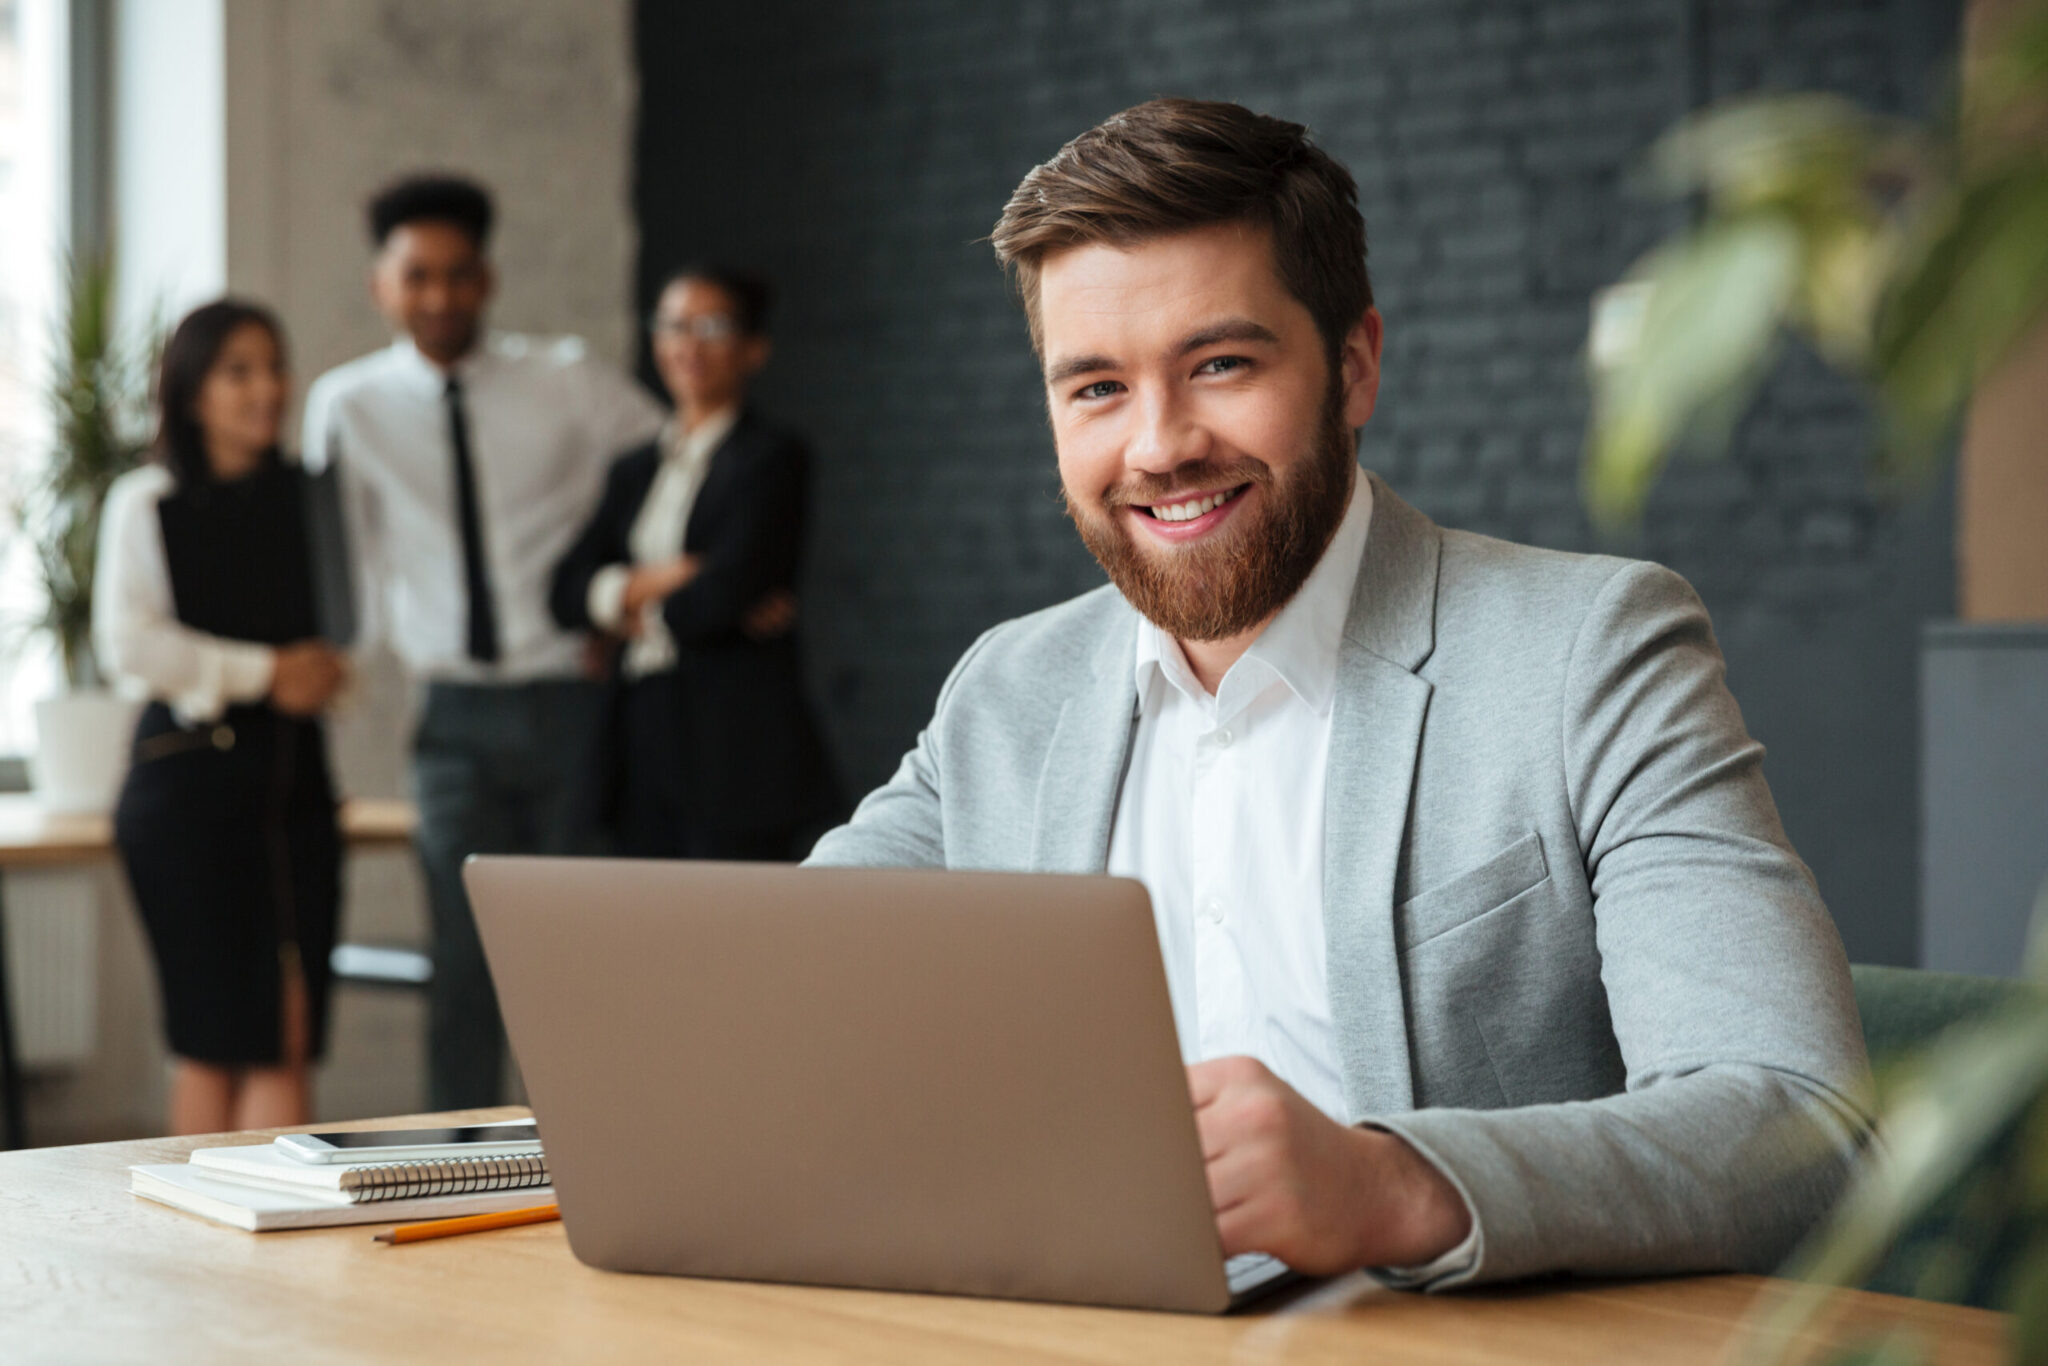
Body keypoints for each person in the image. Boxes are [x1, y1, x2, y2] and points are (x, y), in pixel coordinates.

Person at [806, 98, 1876, 1287]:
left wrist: (1386, 1184)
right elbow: (775, 990)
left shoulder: (1589, 652)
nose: (1158, 445)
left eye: (1218, 364)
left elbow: (1799, 1128)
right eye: (1096, 388)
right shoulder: (1007, 691)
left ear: (1352, 366)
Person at [301, 174, 666, 1110]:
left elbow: (673, 468)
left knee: (576, 960)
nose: (439, 297)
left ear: (489, 279)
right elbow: (342, 565)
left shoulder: (567, 379)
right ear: (382, 284)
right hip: (450, 715)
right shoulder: (348, 407)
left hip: (568, 702)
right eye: (417, 276)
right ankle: (454, 1172)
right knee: (460, 968)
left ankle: (600, 1161)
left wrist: (620, 602)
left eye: (459, 275)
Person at [96, 300, 347, 1134]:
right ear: (192, 390)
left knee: (288, 1031)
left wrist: (323, 672)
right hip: (189, 793)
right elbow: (128, 642)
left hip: (294, 788)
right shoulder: (149, 499)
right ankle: (193, 1253)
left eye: (275, 366)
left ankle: (276, 1254)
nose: (266, 388)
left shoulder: (308, 498)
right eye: (239, 370)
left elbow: (347, 630)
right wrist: (264, 672)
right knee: (213, 1036)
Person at [549, 266, 838, 860]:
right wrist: (660, 582)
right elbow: (560, 593)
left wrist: (624, 614)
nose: (689, 344)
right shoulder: (632, 470)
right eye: (675, 325)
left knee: (736, 936)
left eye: (712, 327)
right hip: (639, 736)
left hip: (736, 744)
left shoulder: (772, 459)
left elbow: (719, 598)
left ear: (753, 349)